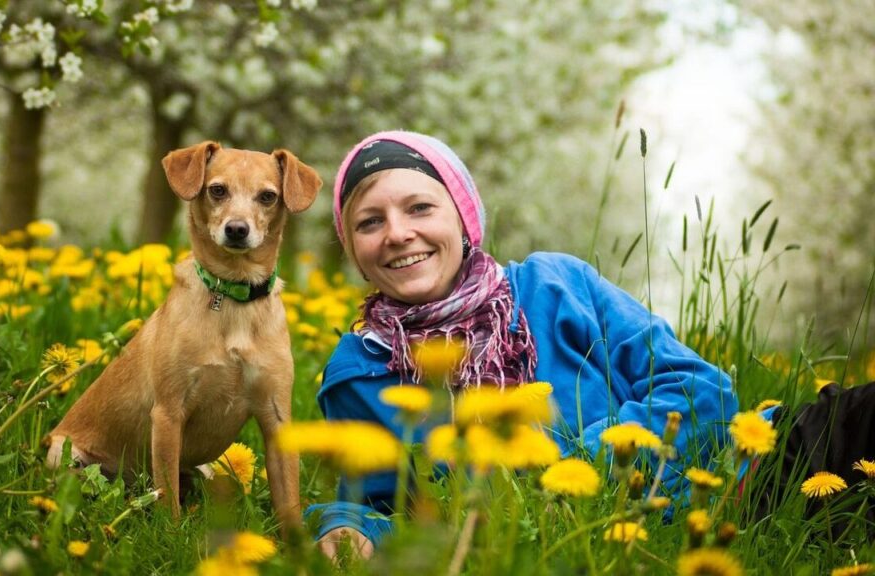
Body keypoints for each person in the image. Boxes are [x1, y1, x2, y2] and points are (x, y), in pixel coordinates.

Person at [304, 130, 875, 558]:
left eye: (420, 207)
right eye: (369, 222)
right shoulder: (359, 372)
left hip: (747, 480)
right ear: (353, 249)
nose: (398, 233)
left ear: (463, 216)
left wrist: (564, 474)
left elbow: (700, 390)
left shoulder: (557, 284)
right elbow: (379, 506)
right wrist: (345, 529)